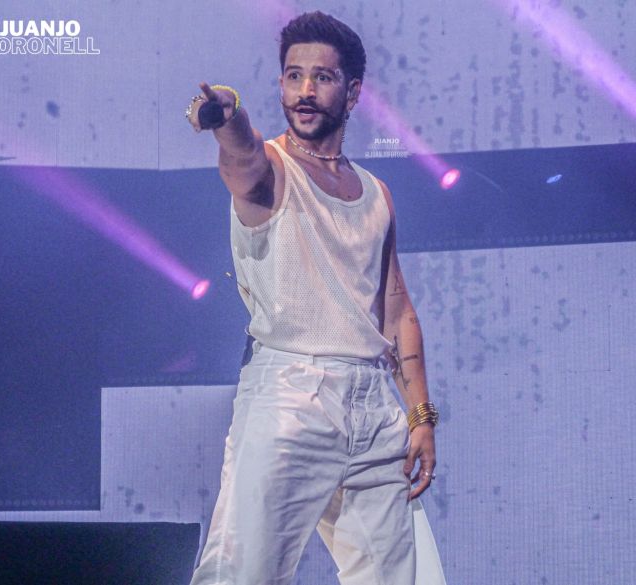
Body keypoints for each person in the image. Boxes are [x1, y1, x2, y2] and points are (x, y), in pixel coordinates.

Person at [185, 11, 445, 585]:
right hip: (290, 397)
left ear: (352, 92)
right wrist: (228, 120)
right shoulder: (271, 169)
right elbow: (242, 156)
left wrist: (421, 415)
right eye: (292, 75)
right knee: (243, 572)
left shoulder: (377, 194)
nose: (304, 91)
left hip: (374, 408)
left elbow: (396, 307)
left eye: (321, 78)